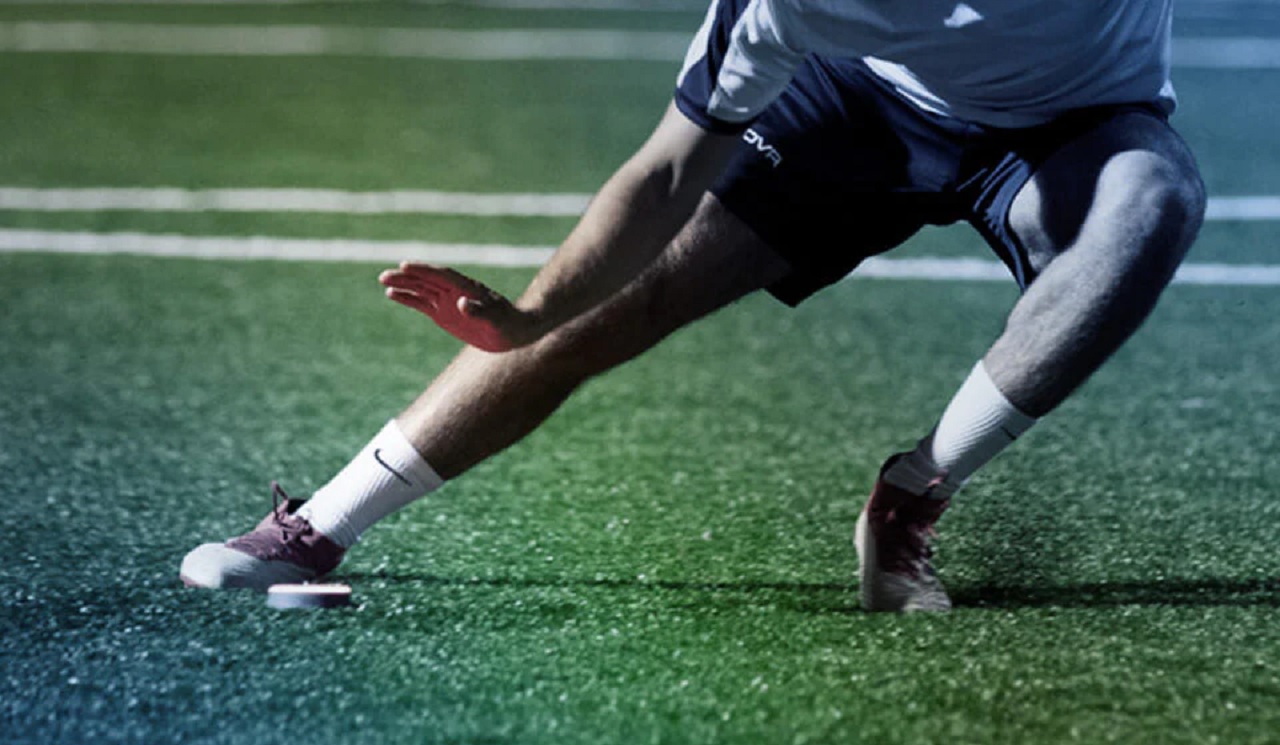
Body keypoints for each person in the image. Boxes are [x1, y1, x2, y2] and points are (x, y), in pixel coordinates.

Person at [181, 0, 1206, 612]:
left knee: (1149, 205)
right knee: (611, 307)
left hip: (1075, 125)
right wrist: (532, 315)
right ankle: (320, 524)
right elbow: (665, 173)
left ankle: (912, 494)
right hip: (856, 106)